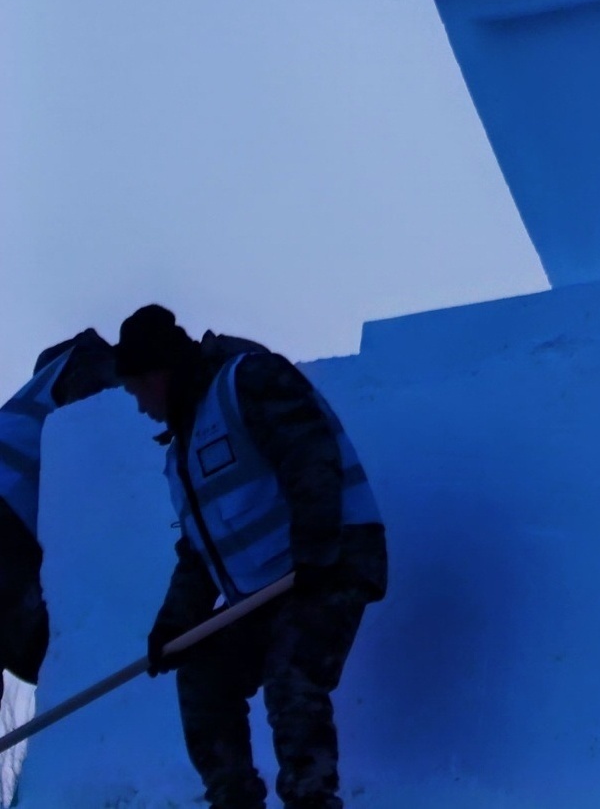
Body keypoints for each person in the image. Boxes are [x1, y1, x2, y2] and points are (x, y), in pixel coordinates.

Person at [108, 305, 388, 809]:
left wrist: (316, 550)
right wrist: (174, 626)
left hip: (329, 566)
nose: (140, 408)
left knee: (291, 675)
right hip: (262, 595)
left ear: (157, 373)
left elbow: (309, 457)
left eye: (136, 390)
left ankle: (310, 798)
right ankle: (233, 799)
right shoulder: (182, 454)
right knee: (203, 673)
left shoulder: (249, 382)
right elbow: (198, 551)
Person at [3, 330, 119, 689]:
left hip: (12, 519)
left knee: (25, 641)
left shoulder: (29, 400)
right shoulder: (88, 365)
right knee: (45, 649)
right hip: (9, 516)